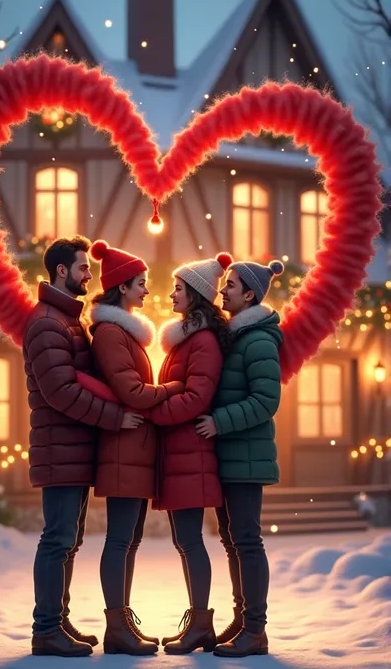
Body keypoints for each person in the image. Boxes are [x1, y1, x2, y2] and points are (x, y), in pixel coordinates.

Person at [23, 236, 143, 658]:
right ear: (61, 271)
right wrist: (115, 417)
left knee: (68, 540)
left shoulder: (66, 320)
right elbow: (61, 392)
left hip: (73, 448)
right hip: (60, 449)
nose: (89, 274)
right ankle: (45, 629)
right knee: (57, 538)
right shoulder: (46, 324)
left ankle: (58, 620)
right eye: (82, 267)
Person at [87, 240, 184, 656]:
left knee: (129, 540)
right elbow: (131, 390)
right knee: (120, 539)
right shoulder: (111, 334)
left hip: (135, 451)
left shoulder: (124, 333)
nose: (147, 291)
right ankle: (116, 626)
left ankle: (122, 620)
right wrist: (175, 387)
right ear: (122, 287)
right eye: (140, 284)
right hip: (124, 451)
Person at [195, 259, 284, 659]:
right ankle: (242, 619)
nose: (223, 290)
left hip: (246, 456)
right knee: (233, 542)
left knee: (247, 541)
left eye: (231, 285)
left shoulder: (259, 339)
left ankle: (256, 630)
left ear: (249, 293)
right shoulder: (237, 335)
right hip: (231, 455)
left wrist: (218, 422)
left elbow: (267, 401)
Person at [148, 253, 233, 655]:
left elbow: (197, 396)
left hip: (191, 454)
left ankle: (201, 622)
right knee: (187, 540)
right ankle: (198, 620)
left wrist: (154, 414)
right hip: (182, 454)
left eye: (178, 288)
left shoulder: (202, 341)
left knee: (191, 540)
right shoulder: (189, 339)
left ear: (196, 294)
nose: (171, 294)